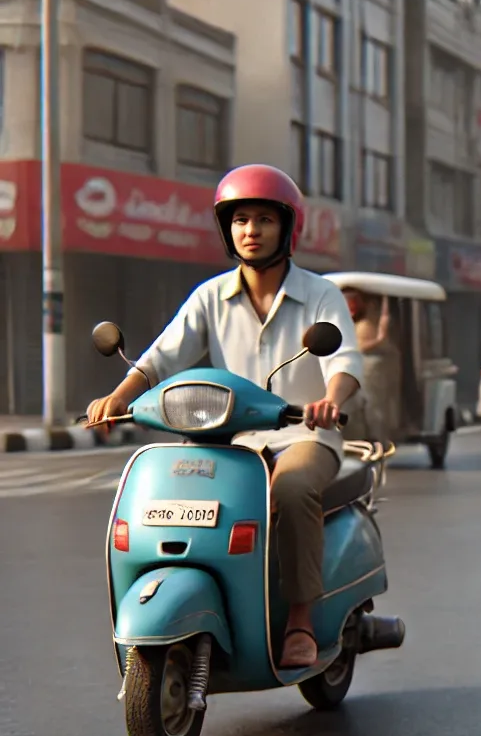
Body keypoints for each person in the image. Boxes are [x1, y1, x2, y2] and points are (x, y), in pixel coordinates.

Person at [85, 164, 360, 671]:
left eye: (262, 220)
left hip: (305, 435)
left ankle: (299, 616)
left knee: (293, 489)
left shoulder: (320, 294)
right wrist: (117, 395)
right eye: (239, 221)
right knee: (182, 500)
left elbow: (343, 364)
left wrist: (332, 400)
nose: (250, 231)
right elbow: (160, 357)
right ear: (227, 230)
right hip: (230, 441)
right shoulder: (211, 296)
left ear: (286, 228)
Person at [342, 288, 397, 446]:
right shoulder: (350, 322)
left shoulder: (371, 322)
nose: (350, 305)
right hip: (352, 367)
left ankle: (377, 441)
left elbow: (380, 339)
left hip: (370, 369)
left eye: (354, 300)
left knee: (373, 407)